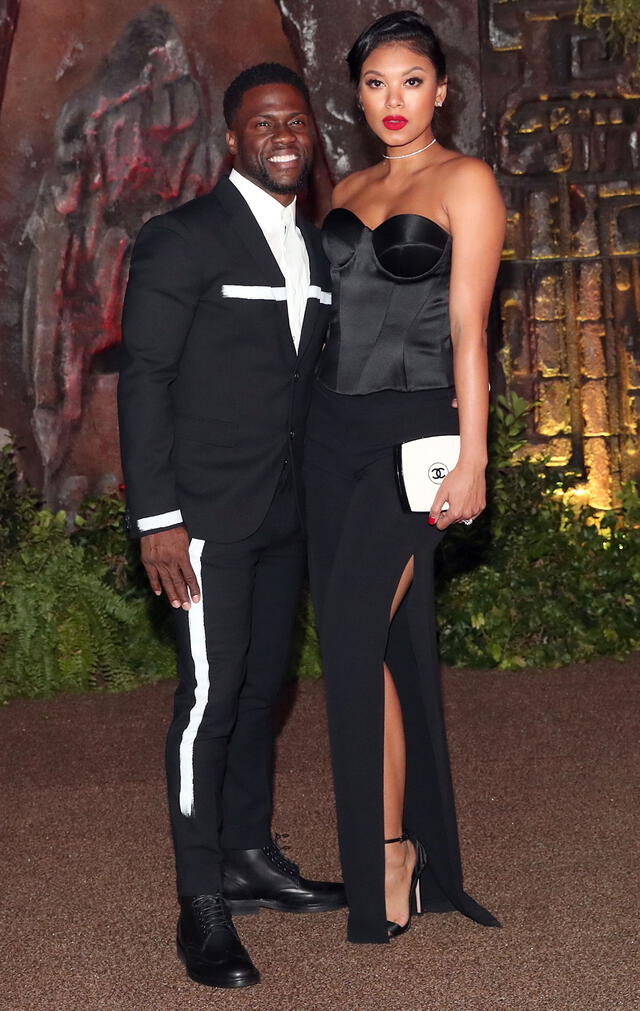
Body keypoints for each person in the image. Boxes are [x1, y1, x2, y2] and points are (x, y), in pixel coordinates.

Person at [118, 63, 344, 989]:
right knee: (209, 702)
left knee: (261, 691)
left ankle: (250, 856)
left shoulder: (319, 248)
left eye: (296, 120)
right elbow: (144, 380)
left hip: (285, 513)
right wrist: (159, 518)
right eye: (263, 123)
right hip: (203, 518)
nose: (284, 134)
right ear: (233, 139)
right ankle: (201, 896)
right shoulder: (184, 239)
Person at [303, 11, 506, 944]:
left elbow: (471, 328)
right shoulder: (348, 184)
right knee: (372, 648)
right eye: (377, 83)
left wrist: (475, 451)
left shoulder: (466, 180)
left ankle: (385, 853)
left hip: (414, 435)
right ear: (358, 93)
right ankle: (396, 847)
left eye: (412, 81)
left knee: (349, 640)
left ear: (442, 90)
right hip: (331, 434)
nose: (394, 100)